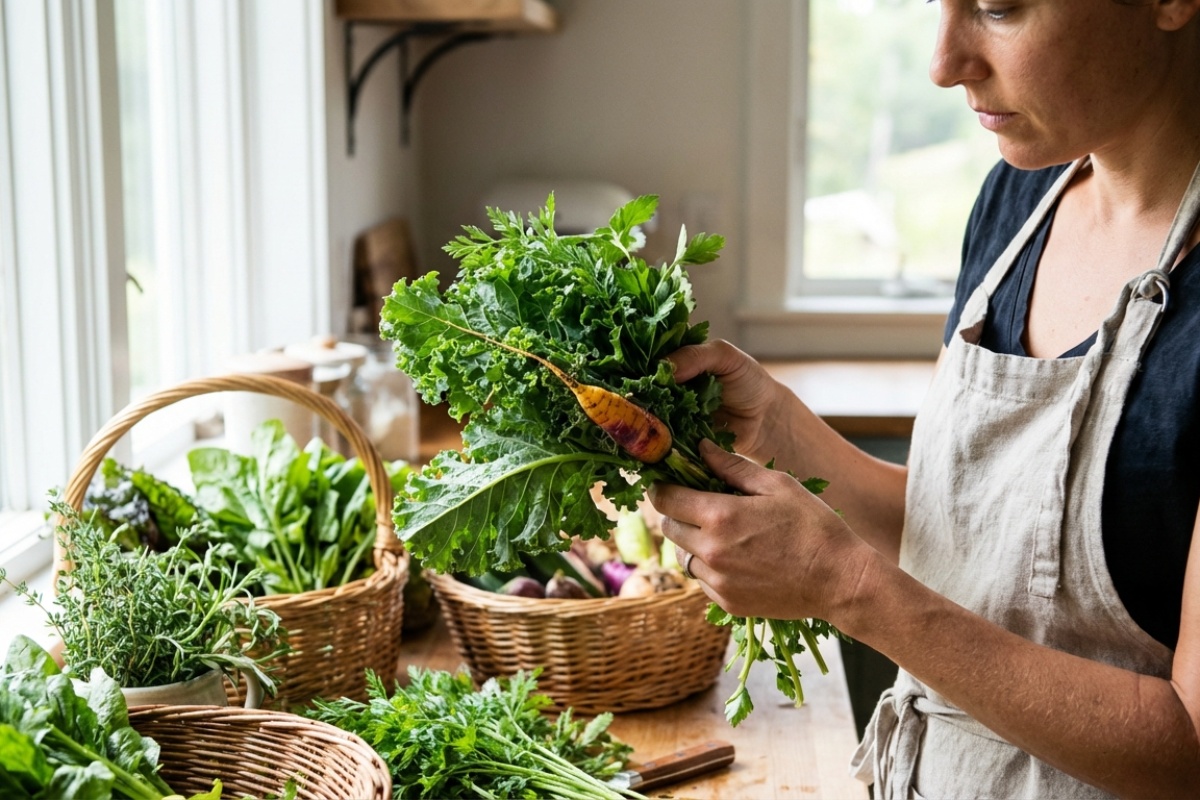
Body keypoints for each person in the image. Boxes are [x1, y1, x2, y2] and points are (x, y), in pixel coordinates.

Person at [647, 1, 1200, 797]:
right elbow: (972, 535)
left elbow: (1190, 745)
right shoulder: (1018, 200)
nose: (943, 65)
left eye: (998, 7)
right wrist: (784, 432)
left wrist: (845, 586)